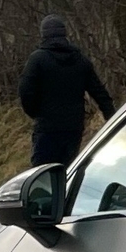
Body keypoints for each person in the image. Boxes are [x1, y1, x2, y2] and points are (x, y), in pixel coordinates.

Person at [17, 14, 116, 167]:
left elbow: (25, 92)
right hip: (73, 127)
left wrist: (35, 113)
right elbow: (100, 93)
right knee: (67, 171)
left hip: (47, 127)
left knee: (41, 174)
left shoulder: (37, 60)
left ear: (44, 35)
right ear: (65, 34)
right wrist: (112, 118)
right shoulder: (80, 60)